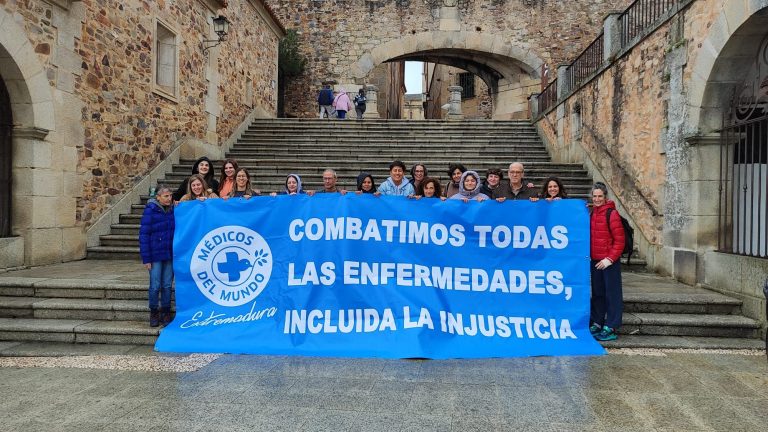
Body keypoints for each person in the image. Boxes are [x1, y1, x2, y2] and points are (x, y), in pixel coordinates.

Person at [589, 182, 625, 342]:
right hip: (595, 261)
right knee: (598, 294)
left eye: (600, 196)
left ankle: (611, 325)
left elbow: (620, 240)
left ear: (605, 197)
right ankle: (597, 321)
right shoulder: (592, 213)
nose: (597, 199)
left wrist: (609, 259)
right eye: (595, 196)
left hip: (609, 262)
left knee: (612, 294)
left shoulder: (612, 214)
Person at [139, 185, 175, 327]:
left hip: (169, 254)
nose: (169, 198)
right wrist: (146, 258)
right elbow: (144, 235)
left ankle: (166, 311)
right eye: (166, 196)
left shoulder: (173, 210)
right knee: (155, 285)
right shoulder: (150, 210)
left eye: (170, 195)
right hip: (155, 255)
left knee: (167, 285)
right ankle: (154, 311)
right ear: (158, 197)